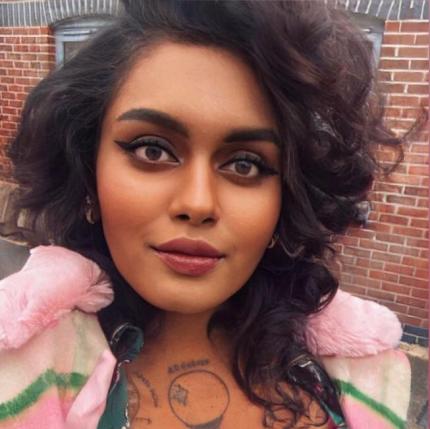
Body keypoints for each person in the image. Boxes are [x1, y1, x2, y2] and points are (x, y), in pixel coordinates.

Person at [0, 1, 412, 428]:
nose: (198, 204)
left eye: (245, 164)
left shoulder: (364, 370)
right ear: (89, 170)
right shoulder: (14, 371)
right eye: (152, 150)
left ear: (288, 195)